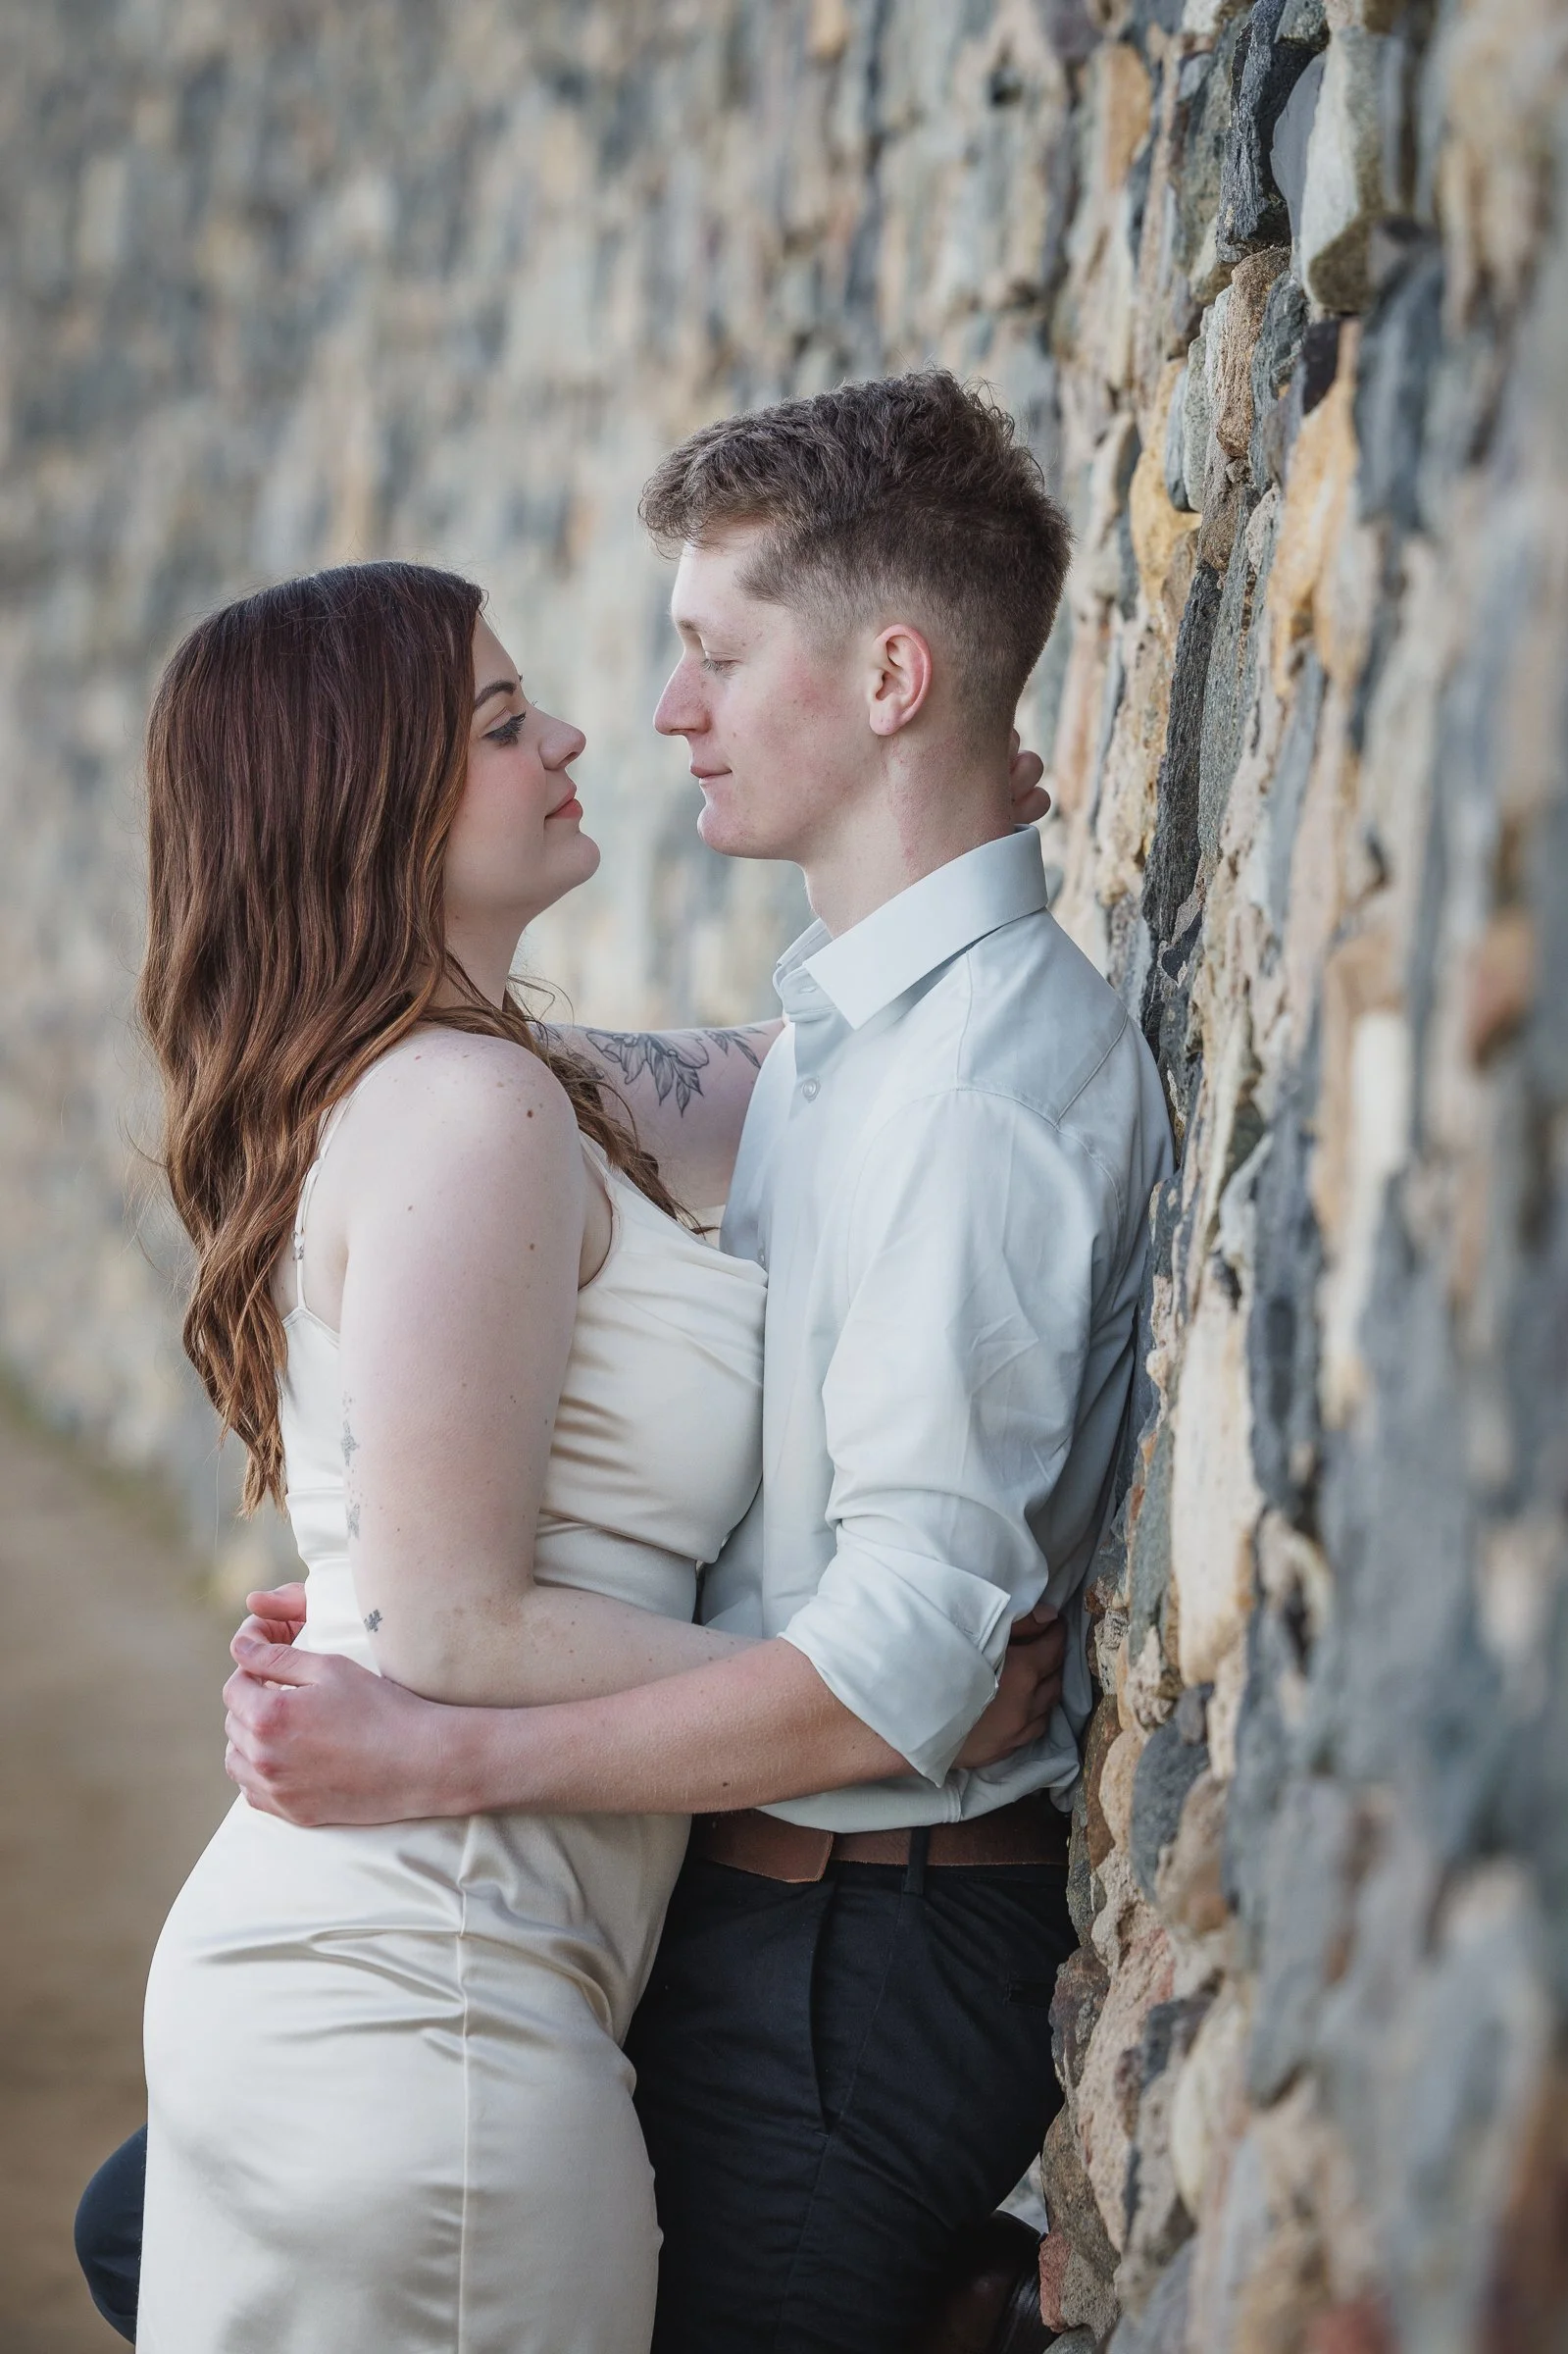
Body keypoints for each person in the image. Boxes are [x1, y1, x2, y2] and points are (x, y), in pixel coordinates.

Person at [79, 372, 1168, 2349]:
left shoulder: (960, 1081)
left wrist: (440, 1702)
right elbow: (468, 1118)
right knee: (159, 2227)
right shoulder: (791, 1052)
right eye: (511, 720)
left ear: (887, 677)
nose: (635, 718)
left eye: (710, 654)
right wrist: (398, 1575)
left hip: (852, 1927)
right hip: (657, 1911)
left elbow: (905, 1662)